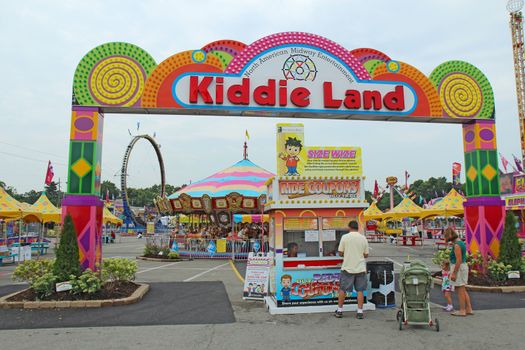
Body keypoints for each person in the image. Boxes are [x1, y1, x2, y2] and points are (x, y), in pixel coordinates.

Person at [334, 220, 369, 319]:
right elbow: (366, 255)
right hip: (360, 268)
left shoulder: (345, 237)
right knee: (360, 290)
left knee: (343, 290)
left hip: (347, 268)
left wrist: (347, 254)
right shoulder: (363, 238)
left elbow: (340, 252)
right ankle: (360, 312)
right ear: (358, 228)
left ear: (349, 227)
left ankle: (339, 311)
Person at [444, 227, 473, 317]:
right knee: (463, 289)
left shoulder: (456, 245)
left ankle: (462, 310)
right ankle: (469, 308)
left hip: (458, 268)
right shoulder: (461, 243)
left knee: (459, 289)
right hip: (463, 266)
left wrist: (454, 273)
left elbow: (458, 260)